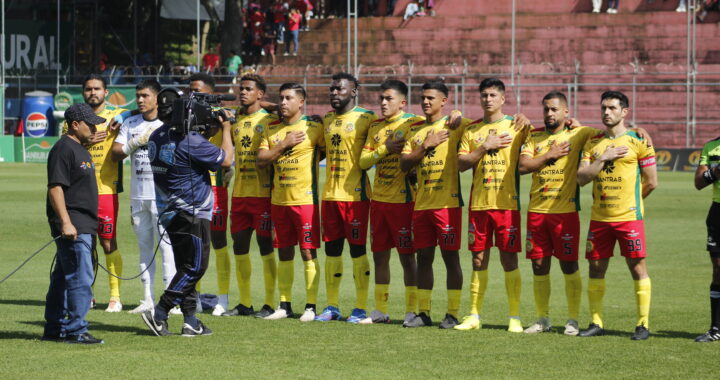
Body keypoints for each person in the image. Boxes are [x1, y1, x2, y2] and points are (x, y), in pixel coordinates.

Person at [141, 89, 235, 337]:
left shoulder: (157, 135)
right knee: (195, 267)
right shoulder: (189, 141)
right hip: (191, 212)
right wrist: (225, 129)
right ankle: (159, 312)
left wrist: (206, 130)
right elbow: (225, 161)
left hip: (170, 212)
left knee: (185, 266)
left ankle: (191, 321)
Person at [576, 91, 657, 340]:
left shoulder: (638, 140)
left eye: (612, 108)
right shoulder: (593, 143)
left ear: (624, 112)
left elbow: (651, 182)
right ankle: (596, 322)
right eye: (603, 108)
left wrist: (630, 204)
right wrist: (604, 157)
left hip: (629, 218)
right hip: (600, 219)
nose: (606, 112)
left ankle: (642, 324)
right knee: (596, 268)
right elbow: (581, 178)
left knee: (637, 267)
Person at [454, 78, 531, 333]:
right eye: (484, 95)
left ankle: (515, 316)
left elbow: (544, 136)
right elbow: (461, 164)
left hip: (506, 205)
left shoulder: (516, 125)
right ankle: (474, 315)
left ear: (503, 98)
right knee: (478, 260)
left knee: (509, 259)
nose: (487, 99)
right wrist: (484, 147)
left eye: (492, 95)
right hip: (479, 205)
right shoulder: (472, 131)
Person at [517, 92, 597, 336]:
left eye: (554, 110)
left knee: (569, 265)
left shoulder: (579, 134)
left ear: (565, 112)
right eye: (546, 110)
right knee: (539, 266)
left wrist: (639, 131)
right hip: (537, 212)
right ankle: (543, 319)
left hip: (566, 212)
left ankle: (572, 319)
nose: (549, 114)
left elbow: (612, 134)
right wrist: (549, 155)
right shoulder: (534, 136)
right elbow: (522, 167)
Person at [399, 81, 472, 329]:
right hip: (422, 205)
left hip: (447, 204)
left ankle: (452, 313)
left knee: (451, 259)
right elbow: (405, 164)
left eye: (431, 98)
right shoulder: (415, 131)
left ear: (444, 101)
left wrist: (458, 114)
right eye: (423, 98)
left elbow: (478, 125)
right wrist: (426, 145)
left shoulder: (455, 126)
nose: (426, 102)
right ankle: (424, 312)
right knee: (424, 258)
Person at [62, 74, 131, 312]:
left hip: (106, 189)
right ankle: (87, 293)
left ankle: (115, 296)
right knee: (84, 244)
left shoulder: (115, 115)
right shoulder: (73, 119)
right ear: (83, 92)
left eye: (97, 89)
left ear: (106, 91)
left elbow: (141, 111)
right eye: (89, 89)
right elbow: (65, 146)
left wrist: (123, 115)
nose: (93, 92)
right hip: (79, 191)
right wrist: (86, 142)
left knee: (108, 242)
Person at [257, 83, 325, 321]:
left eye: (289, 98)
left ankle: (311, 306)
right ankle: (284, 305)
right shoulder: (272, 129)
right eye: (281, 98)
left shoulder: (315, 126)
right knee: (284, 252)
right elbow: (262, 159)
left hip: (305, 200)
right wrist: (284, 144)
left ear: (301, 101)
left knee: (308, 252)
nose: (284, 102)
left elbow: (325, 150)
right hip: (279, 201)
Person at [313, 73, 377, 323]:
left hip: (356, 196)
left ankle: (360, 307)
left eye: (339, 89)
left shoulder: (367, 118)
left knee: (358, 251)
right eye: (331, 89)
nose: (334, 93)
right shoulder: (327, 119)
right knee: (332, 251)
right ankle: (332, 306)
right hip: (330, 195)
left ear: (353, 91)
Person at [358, 79, 423, 325]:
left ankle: (410, 310)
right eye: (381, 98)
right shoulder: (375, 127)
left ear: (402, 102)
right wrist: (384, 149)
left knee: (407, 257)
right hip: (379, 202)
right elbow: (364, 162)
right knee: (379, 257)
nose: (383, 103)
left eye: (389, 99)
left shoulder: (413, 123)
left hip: (404, 202)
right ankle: (381, 310)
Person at [111, 80, 177, 315]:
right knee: (144, 248)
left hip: (163, 196)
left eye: (145, 96)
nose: (139, 99)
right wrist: (134, 143)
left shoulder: (168, 123)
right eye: (137, 95)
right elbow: (117, 153)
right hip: (138, 196)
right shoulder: (130, 123)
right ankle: (147, 298)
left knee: (168, 248)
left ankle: (172, 300)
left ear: (157, 97)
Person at [43, 103, 107, 344]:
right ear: (75, 125)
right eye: (89, 123)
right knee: (80, 276)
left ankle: (55, 328)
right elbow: (55, 187)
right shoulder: (64, 149)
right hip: (74, 223)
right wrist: (66, 222)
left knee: (63, 276)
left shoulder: (79, 147)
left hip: (84, 222)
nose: (93, 127)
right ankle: (76, 330)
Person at [221, 74, 279, 319]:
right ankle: (244, 302)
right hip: (240, 194)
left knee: (266, 247)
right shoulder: (234, 119)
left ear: (260, 94)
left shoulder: (270, 119)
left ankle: (269, 303)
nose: (242, 92)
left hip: (264, 195)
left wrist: (265, 104)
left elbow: (285, 107)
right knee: (240, 247)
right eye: (240, 89)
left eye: (248, 89)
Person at [187, 73, 235, 316]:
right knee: (193, 243)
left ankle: (223, 299)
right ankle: (192, 298)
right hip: (192, 186)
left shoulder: (224, 115)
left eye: (197, 91)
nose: (191, 95)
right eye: (190, 91)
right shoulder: (184, 116)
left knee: (217, 243)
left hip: (217, 187)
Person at [693, 136, 720, 342]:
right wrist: (715, 172)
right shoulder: (711, 147)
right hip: (718, 212)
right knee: (718, 270)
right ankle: (716, 329)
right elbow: (699, 183)